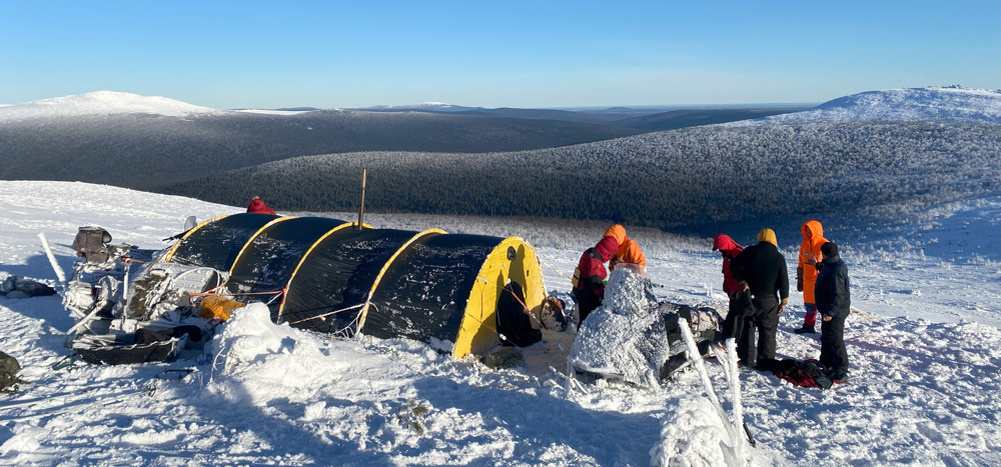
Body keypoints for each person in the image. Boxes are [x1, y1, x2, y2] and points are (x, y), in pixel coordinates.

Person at [730, 228, 789, 369]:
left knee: (747, 330)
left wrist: (742, 281)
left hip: (749, 298)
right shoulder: (778, 257)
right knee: (768, 332)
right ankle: (765, 363)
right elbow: (784, 281)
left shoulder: (750, 251)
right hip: (769, 301)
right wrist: (784, 301)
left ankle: (746, 360)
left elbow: (733, 265)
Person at [712, 233, 752, 362]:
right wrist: (726, 287)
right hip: (732, 293)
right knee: (732, 318)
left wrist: (740, 289)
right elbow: (726, 273)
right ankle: (727, 344)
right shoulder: (728, 256)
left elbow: (742, 274)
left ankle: (734, 347)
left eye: (721, 249)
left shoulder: (738, 254)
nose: (721, 252)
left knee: (737, 320)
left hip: (739, 293)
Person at [815, 241, 850, 382]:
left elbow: (838, 294)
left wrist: (830, 312)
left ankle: (841, 368)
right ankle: (826, 362)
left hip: (835, 311)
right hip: (828, 309)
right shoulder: (831, 264)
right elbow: (826, 269)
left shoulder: (836, 270)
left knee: (835, 338)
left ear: (825, 254)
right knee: (827, 335)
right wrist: (817, 265)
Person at [572, 235, 618, 323]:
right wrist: (603, 296)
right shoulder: (595, 261)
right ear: (608, 251)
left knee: (583, 316)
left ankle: (580, 333)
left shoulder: (591, 251)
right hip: (587, 292)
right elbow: (595, 281)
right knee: (593, 316)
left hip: (579, 288)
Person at [795, 220, 828, 334]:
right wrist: (800, 278)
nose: (808, 231)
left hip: (820, 280)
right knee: (809, 305)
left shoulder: (824, 244)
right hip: (807, 280)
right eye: (806, 229)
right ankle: (808, 325)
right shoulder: (804, 243)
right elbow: (801, 261)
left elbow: (829, 264)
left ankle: (826, 330)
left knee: (823, 307)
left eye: (810, 229)